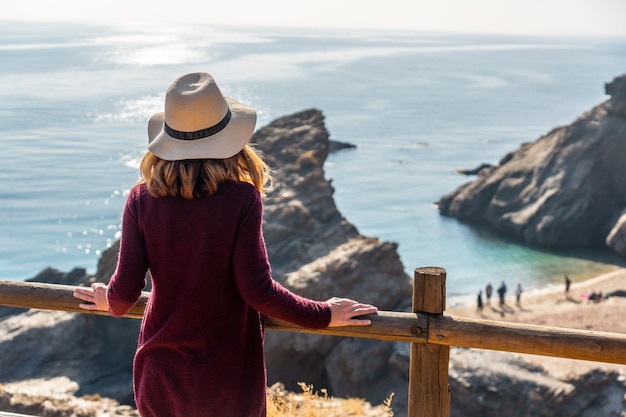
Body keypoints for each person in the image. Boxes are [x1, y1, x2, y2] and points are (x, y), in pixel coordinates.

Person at [73, 72, 378, 417]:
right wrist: (324, 315)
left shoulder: (141, 198)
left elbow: (124, 295)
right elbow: (258, 291)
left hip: (160, 373)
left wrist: (107, 298)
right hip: (227, 378)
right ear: (229, 139)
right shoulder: (242, 199)